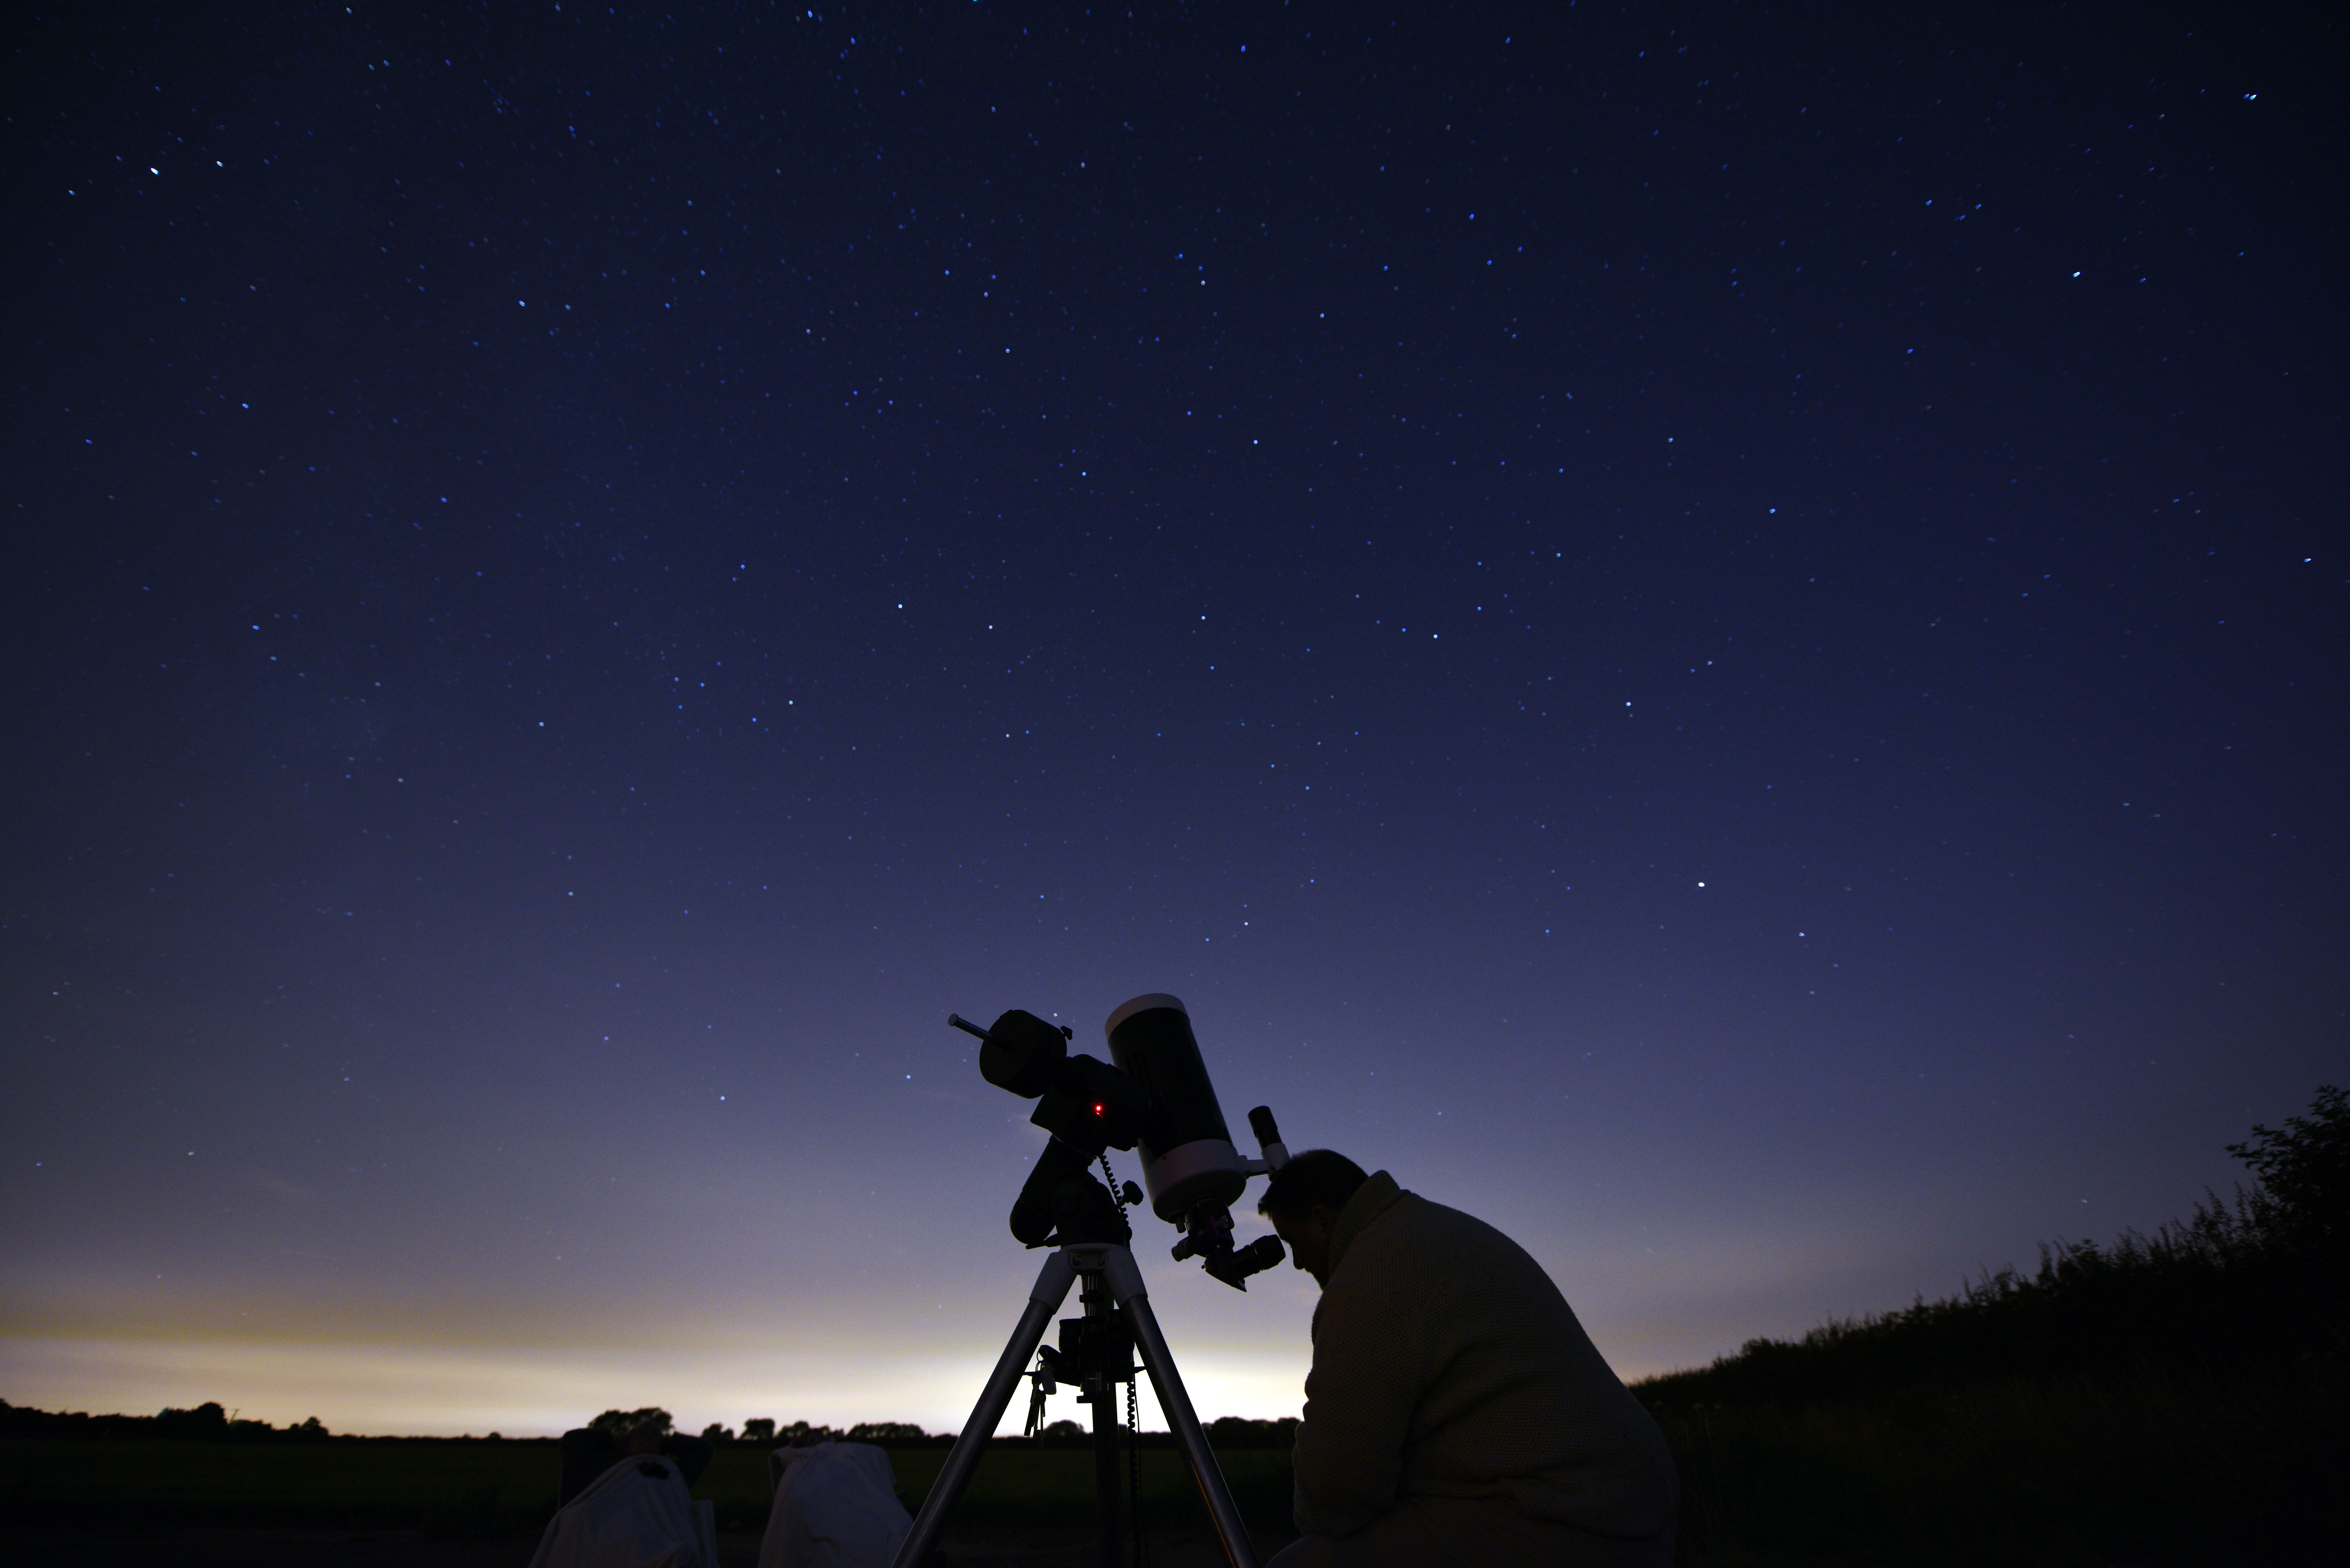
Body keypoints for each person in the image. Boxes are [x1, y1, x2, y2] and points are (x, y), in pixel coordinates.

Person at [1259, 1152, 1678, 1568]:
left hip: (1566, 1521)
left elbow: (1335, 1496)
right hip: (1625, 1501)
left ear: (1322, 1220)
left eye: (1293, 1241)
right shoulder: (1428, 1229)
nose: (1296, 1262)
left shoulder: (1367, 1281)